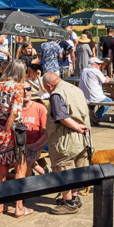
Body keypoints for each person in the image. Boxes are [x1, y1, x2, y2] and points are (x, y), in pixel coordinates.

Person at [42, 72, 91, 215]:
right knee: (77, 169)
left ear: (48, 86)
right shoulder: (75, 89)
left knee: (63, 170)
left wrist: (76, 127)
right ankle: (75, 198)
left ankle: (68, 203)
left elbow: (62, 116)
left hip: (65, 139)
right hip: (83, 139)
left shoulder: (57, 93)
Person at [0, 61, 30, 217]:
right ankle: (19, 207)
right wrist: (6, 131)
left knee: (3, 168)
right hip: (12, 131)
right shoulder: (17, 87)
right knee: (20, 167)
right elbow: (14, 112)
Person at [20, 85, 49, 173]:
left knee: (27, 161)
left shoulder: (40, 108)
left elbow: (47, 133)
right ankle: (44, 172)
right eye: (22, 89)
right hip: (17, 147)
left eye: (28, 89)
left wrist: (35, 146)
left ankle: (27, 185)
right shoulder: (15, 109)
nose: (25, 92)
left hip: (35, 145)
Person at [79, 57, 113, 125]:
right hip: (95, 96)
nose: (100, 65)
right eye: (98, 64)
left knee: (91, 102)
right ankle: (96, 116)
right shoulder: (95, 71)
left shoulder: (84, 70)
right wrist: (108, 78)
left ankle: (90, 116)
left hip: (84, 96)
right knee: (109, 101)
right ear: (93, 64)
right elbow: (105, 81)